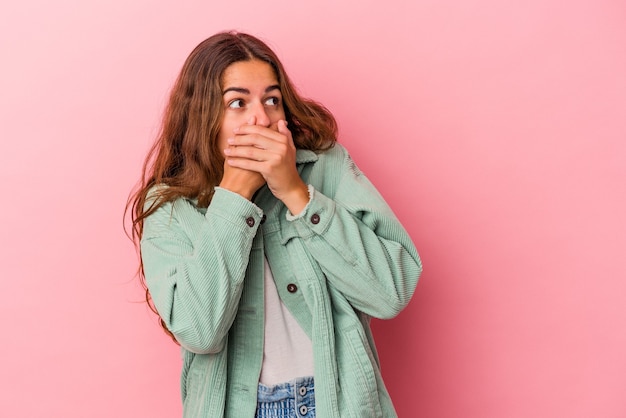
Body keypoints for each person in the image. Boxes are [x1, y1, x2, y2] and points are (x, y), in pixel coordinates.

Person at [127, 31, 422, 418]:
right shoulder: (168, 206)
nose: (261, 118)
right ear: (203, 116)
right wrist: (233, 199)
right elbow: (198, 331)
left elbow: (391, 292)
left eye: (271, 99)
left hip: (339, 403)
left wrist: (297, 194)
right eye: (237, 102)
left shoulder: (324, 167)